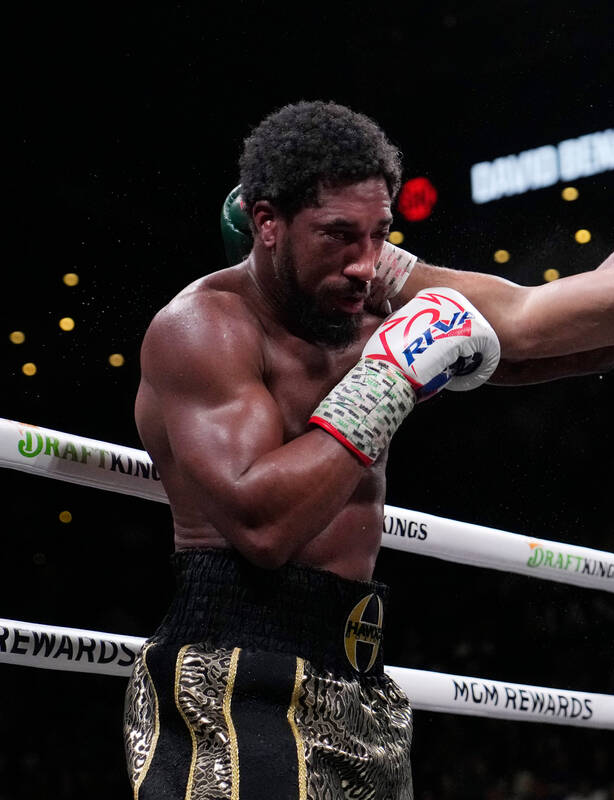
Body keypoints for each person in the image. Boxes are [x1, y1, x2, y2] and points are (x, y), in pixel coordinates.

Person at [125, 100, 503, 800]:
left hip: (359, 673)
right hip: (234, 673)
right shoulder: (204, 327)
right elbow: (263, 527)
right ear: (267, 223)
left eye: (380, 235)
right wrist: (393, 377)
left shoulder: (369, 315)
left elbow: (547, 330)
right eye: (338, 236)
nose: (367, 265)